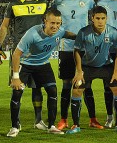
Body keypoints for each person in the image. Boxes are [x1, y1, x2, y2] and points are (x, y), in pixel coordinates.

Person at [7, 8, 75, 137]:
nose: (55, 26)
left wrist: (83, 36)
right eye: (52, 23)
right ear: (45, 21)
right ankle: (15, 126)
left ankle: (52, 126)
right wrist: (15, 76)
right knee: (17, 92)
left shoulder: (60, 32)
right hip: (25, 64)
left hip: (43, 64)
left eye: (58, 23)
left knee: (53, 91)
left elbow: (69, 34)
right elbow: (16, 54)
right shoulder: (32, 34)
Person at [0, 0, 48, 130]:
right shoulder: (13, 5)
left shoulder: (43, 4)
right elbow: (4, 26)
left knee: (38, 87)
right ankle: (15, 125)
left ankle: (38, 121)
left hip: (38, 52)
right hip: (20, 52)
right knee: (18, 87)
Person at [65, 6, 117, 134]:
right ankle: (76, 125)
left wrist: (116, 71)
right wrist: (79, 71)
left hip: (106, 66)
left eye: (103, 18)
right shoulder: (83, 32)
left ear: (106, 19)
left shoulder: (113, 32)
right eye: (97, 18)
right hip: (87, 67)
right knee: (76, 90)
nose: (100, 21)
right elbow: (77, 51)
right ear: (92, 18)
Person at [51, 0, 100, 130]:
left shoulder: (87, 0)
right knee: (66, 84)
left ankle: (93, 119)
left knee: (87, 84)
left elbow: (96, 18)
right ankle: (64, 119)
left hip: (85, 48)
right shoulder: (57, 2)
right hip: (66, 48)